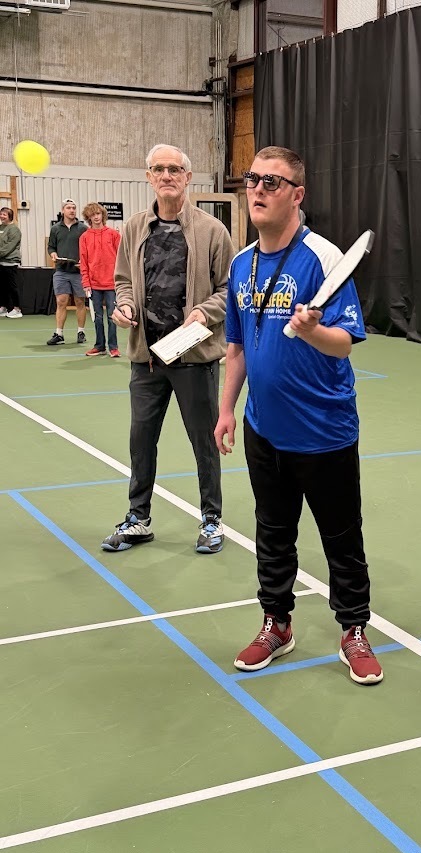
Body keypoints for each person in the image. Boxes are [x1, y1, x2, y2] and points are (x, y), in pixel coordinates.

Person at [214, 146, 383, 686]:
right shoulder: (242, 265)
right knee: (273, 531)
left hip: (324, 431)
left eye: (273, 182)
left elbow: (345, 345)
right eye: (253, 180)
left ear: (297, 195)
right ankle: (276, 623)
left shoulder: (325, 258)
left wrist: (313, 330)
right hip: (264, 428)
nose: (258, 189)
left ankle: (354, 628)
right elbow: (237, 349)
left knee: (341, 536)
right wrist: (226, 410)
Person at [102, 144, 234, 555]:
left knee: (203, 442)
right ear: (148, 176)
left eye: (174, 169)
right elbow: (123, 279)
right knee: (141, 440)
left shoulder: (213, 230)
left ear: (187, 177)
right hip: (147, 358)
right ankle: (138, 519)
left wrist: (204, 312)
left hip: (193, 357)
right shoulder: (135, 228)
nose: (166, 175)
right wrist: (124, 305)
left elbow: (231, 290)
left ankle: (212, 520)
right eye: (158, 169)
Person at [79, 202, 121, 357]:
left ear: (103, 215)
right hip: (93, 284)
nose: (96, 217)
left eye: (98, 214)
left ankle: (113, 347)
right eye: (92, 215)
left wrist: (121, 280)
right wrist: (86, 282)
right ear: (88, 218)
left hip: (112, 284)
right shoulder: (84, 237)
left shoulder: (114, 235)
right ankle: (99, 346)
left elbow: (122, 259)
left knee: (112, 317)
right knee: (97, 318)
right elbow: (83, 261)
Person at [46, 198, 88, 345]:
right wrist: (53, 254)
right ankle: (59, 334)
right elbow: (51, 247)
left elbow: (89, 248)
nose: (72, 210)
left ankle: (81, 332)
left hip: (78, 272)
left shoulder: (83, 228)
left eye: (74, 208)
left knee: (80, 302)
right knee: (61, 302)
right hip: (61, 271)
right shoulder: (55, 229)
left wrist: (85, 261)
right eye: (69, 208)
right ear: (63, 210)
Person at [0, 207, 22, 318]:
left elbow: (10, 246)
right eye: (1, 214)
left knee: (12, 287)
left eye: (5, 214)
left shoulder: (14, 229)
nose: (2, 216)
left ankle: (17, 309)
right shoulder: (1, 227)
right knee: (2, 287)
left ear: (10, 216)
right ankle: (4, 308)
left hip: (10, 262)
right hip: (1, 262)